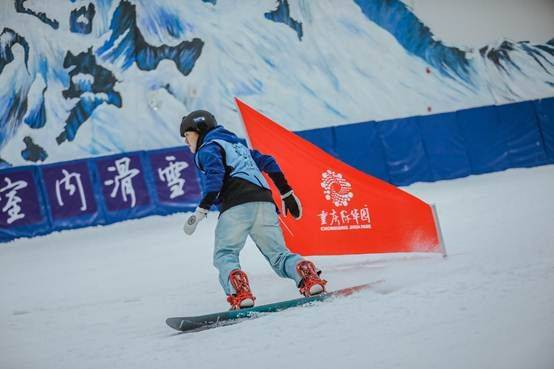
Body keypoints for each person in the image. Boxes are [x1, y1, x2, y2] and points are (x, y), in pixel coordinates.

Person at [180, 109, 327, 310]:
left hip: (235, 206)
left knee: (225, 254)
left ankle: (239, 293)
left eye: (187, 136)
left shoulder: (208, 148)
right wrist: (286, 192)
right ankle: (306, 274)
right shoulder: (238, 146)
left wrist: (200, 211)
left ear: (199, 131)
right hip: (264, 204)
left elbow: (215, 178)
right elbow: (270, 162)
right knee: (279, 255)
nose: (186, 142)